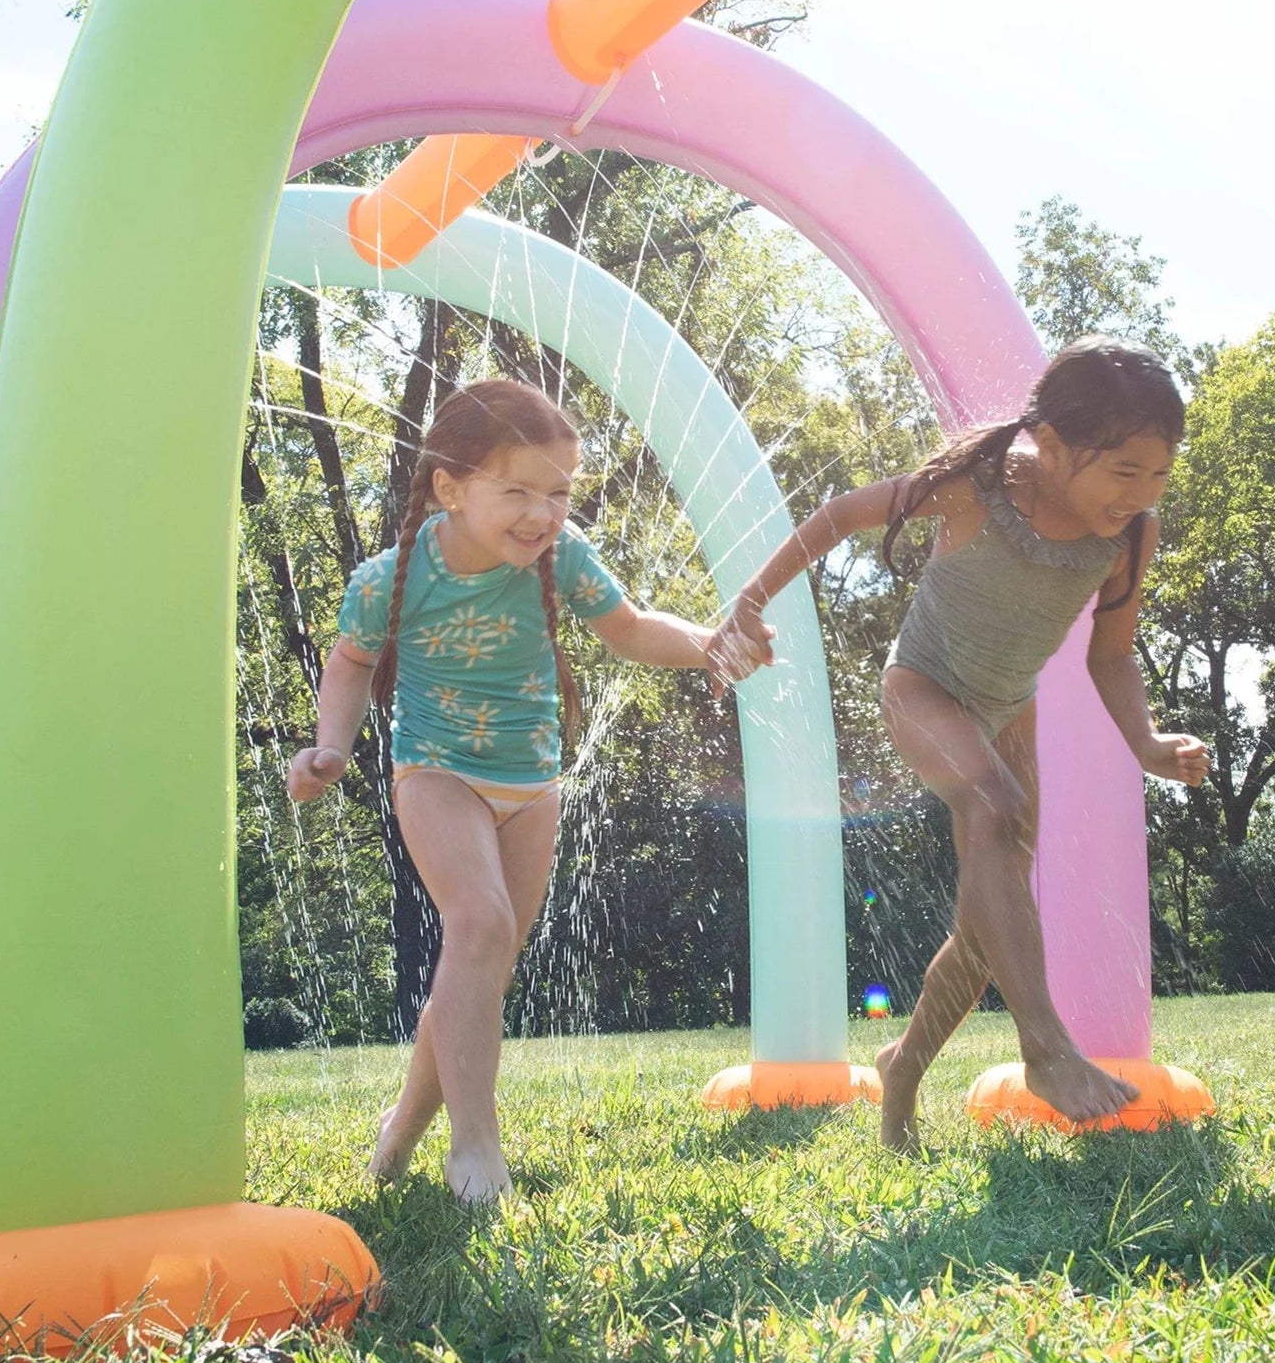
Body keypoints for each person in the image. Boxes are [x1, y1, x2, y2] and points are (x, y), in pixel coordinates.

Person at [709, 336, 1210, 1152]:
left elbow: (1109, 654)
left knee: (986, 930)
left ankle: (903, 1065)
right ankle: (1046, 1049)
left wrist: (1148, 744)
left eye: (1159, 473)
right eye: (1125, 471)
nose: (1142, 493)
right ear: (1049, 447)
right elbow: (841, 514)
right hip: (923, 688)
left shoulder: (1128, 536)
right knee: (995, 808)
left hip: (1009, 710)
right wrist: (749, 603)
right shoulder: (977, 485)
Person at [287, 379, 765, 1201]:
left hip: (530, 783)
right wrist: (331, 745)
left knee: (483, 959)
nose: (541, 513)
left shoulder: (560, 556)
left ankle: (402, 1124)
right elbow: (352, 662)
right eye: (517, 491)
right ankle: (474, 1147)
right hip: (435, 770)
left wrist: (712, 645)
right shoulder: (393, 576)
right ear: (450, 486)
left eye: (558, 493)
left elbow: (631, 628)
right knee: (480, 922)